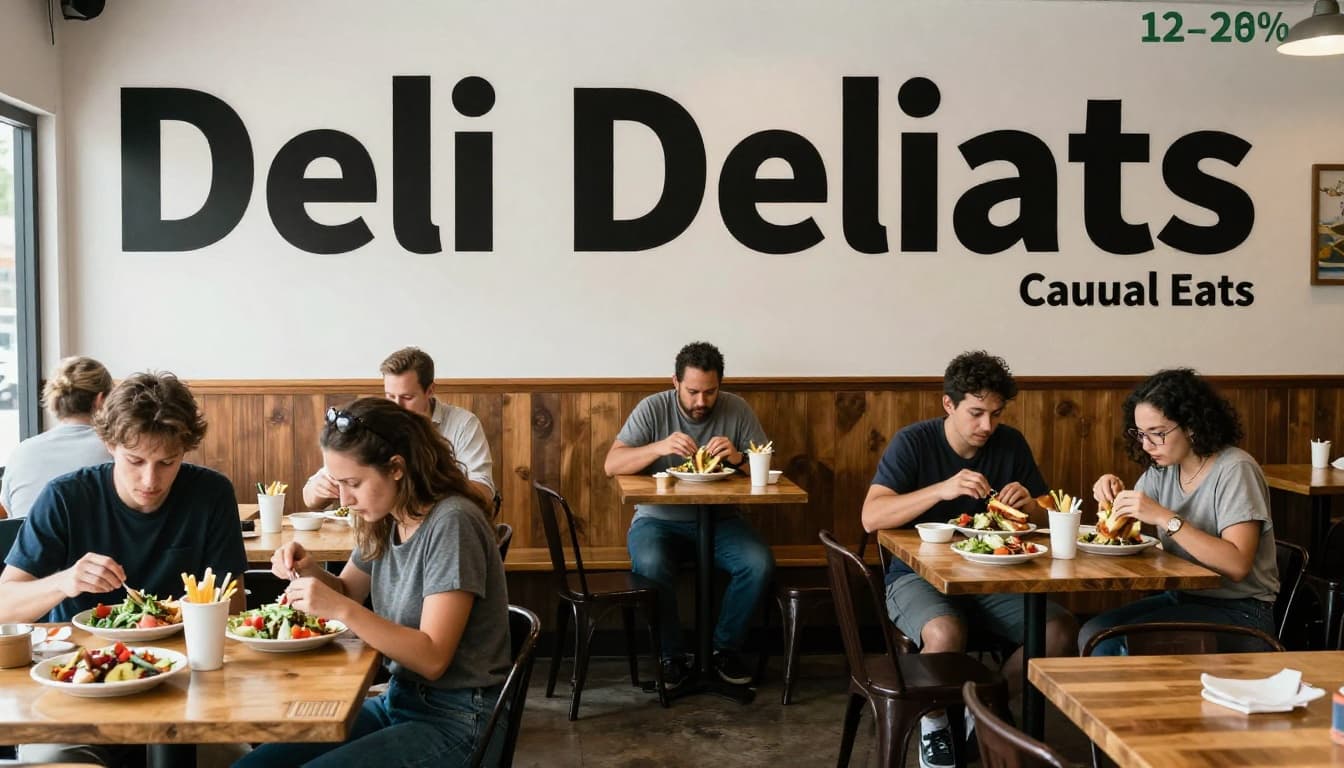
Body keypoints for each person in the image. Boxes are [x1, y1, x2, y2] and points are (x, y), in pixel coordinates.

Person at [236, 397, 511, 768]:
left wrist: (342, 610)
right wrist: (311, 568)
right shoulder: (386, 515)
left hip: (460, 719)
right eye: (339, 484)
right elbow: (348, 590)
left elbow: (432, 658)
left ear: (396, 467)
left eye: (354, 483)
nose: (345, 500)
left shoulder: (453, 523)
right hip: (399, 700)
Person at [1, 371, 248, 767]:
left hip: (187, 686)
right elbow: (4, 605)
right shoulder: (66, 497)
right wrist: (64, 582)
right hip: (78, 685)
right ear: (109, 444)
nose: (151, 480)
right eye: (135, 461)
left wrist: (203, 611)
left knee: (237, 761)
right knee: (56, 761)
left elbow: (233, 608)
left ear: (185, 450)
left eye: (168, 462)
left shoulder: (210, 493)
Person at [860, 350, 1077, 768]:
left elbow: (1049, 511)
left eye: (995, 414)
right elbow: (871, 516)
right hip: (913, 577)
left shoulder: (1009, 442)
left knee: (1060, 631)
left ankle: (986, 712)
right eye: (976, 413)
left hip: (991, 578)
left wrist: (1030, 504)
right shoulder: (914, 441)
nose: (987, 426)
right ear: (948, 404)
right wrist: (940, 490)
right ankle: (936, 726)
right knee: (945, 633)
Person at [603, 341, 773, 689]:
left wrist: (739, 458)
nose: (701, 402)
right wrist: (660, 447)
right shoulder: (652, 408)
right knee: (650, 566)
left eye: (710, 392)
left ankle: (722, 651)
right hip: (656, 520)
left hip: (721, 521)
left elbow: (766, 470)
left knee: (758, 564)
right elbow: (612, 464)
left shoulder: (737, 409)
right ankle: (672, 657)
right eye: (693, 391)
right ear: (675, 382)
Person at [1080, 368, 1279, 655]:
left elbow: (1237, 565)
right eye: (1141, 434)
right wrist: (1110, 494)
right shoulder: (1163, 469)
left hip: (1242, 612)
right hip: (1181, 598)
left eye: (1158, 434)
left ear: (1192, 425)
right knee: (1092, 633)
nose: (1147, 445)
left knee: (1112, 645)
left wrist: (1164, 518)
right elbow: (1124, 524)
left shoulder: (1235, 469)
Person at [303, 347, 496, 513]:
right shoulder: (377, 423)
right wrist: (319, 490)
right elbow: (309, 498)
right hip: (375, 531)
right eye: (390, 396)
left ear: (430, 390)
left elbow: (485, 493)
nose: (397, 405)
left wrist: (429, 482)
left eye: (407, 397)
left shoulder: (463, 424)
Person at [0, 356, 113, 520]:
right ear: (100, 400)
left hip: (25, 544)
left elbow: (11, 515)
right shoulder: (115, 450)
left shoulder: (21, 451)